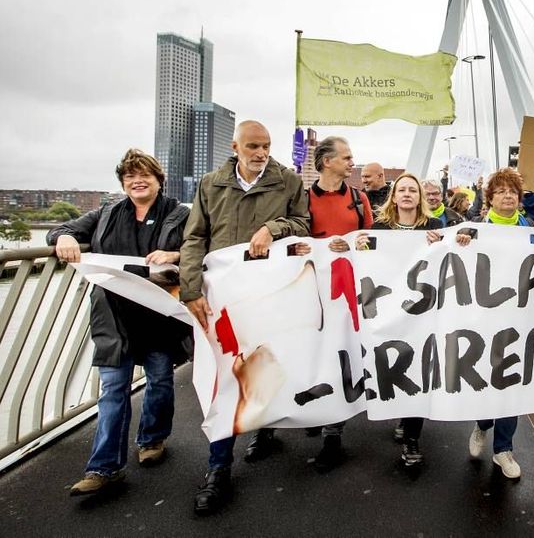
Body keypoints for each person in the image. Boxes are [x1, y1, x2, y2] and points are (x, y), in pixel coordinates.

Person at [180, 120, 310, 515]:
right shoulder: (210, 184)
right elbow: (194, 237)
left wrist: (273, 227)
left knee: (265, 365)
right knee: (224, 379)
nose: (261, 153)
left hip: (268, 293)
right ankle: (218, 469)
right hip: (222, 296)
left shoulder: (287, 181)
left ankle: (265, 428)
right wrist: (189, 289)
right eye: (253, 146)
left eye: (266, 146)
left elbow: (304, 224)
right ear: (235, 147)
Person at [50, 149, 192, 497]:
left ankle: (152, 438)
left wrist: (174, 254)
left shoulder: (179, 214)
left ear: (159, 179)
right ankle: (103, 468)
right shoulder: (108, 212)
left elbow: (201, 248)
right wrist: (64, 238)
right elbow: (62, 228)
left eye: (143, 174)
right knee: (113, 390)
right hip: (114, 317)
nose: (136, 181)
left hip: (158, 316)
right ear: (123, 182)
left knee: (159, 381)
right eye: (129, 176)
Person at [465, 168, 534, 480]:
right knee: (488, 380)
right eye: (500, 191)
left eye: (512, 191)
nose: (507, 196)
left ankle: (503, 449)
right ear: (489, 197)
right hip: (485, 322)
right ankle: (482, 424)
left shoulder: (533, 230)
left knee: (511, 383)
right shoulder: (473, 230)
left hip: (519, 321)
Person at [304, 136, 373, 472]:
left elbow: (373, 241)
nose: (352, 162)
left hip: (347, 295)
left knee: (340, 355)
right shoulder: (302, 201)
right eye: (346, 157)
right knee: (310, 353)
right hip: (311, 293)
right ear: (326, 161)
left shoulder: (359, 200)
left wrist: (360, 242)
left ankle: (333, 433)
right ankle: (308, 412)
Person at [371, 172, 445, 468]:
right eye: (401, 189)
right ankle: (401, 414)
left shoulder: (435, 226)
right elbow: (367, 259)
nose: (406, 194)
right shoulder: (379, 227)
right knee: (394, 362)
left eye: (412, 190)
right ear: (393, 196)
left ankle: (412, 434)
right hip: (389, 307)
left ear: (420, 197)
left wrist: (440, 243)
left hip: (423, 309)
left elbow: (448, 257)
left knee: (419, 367)